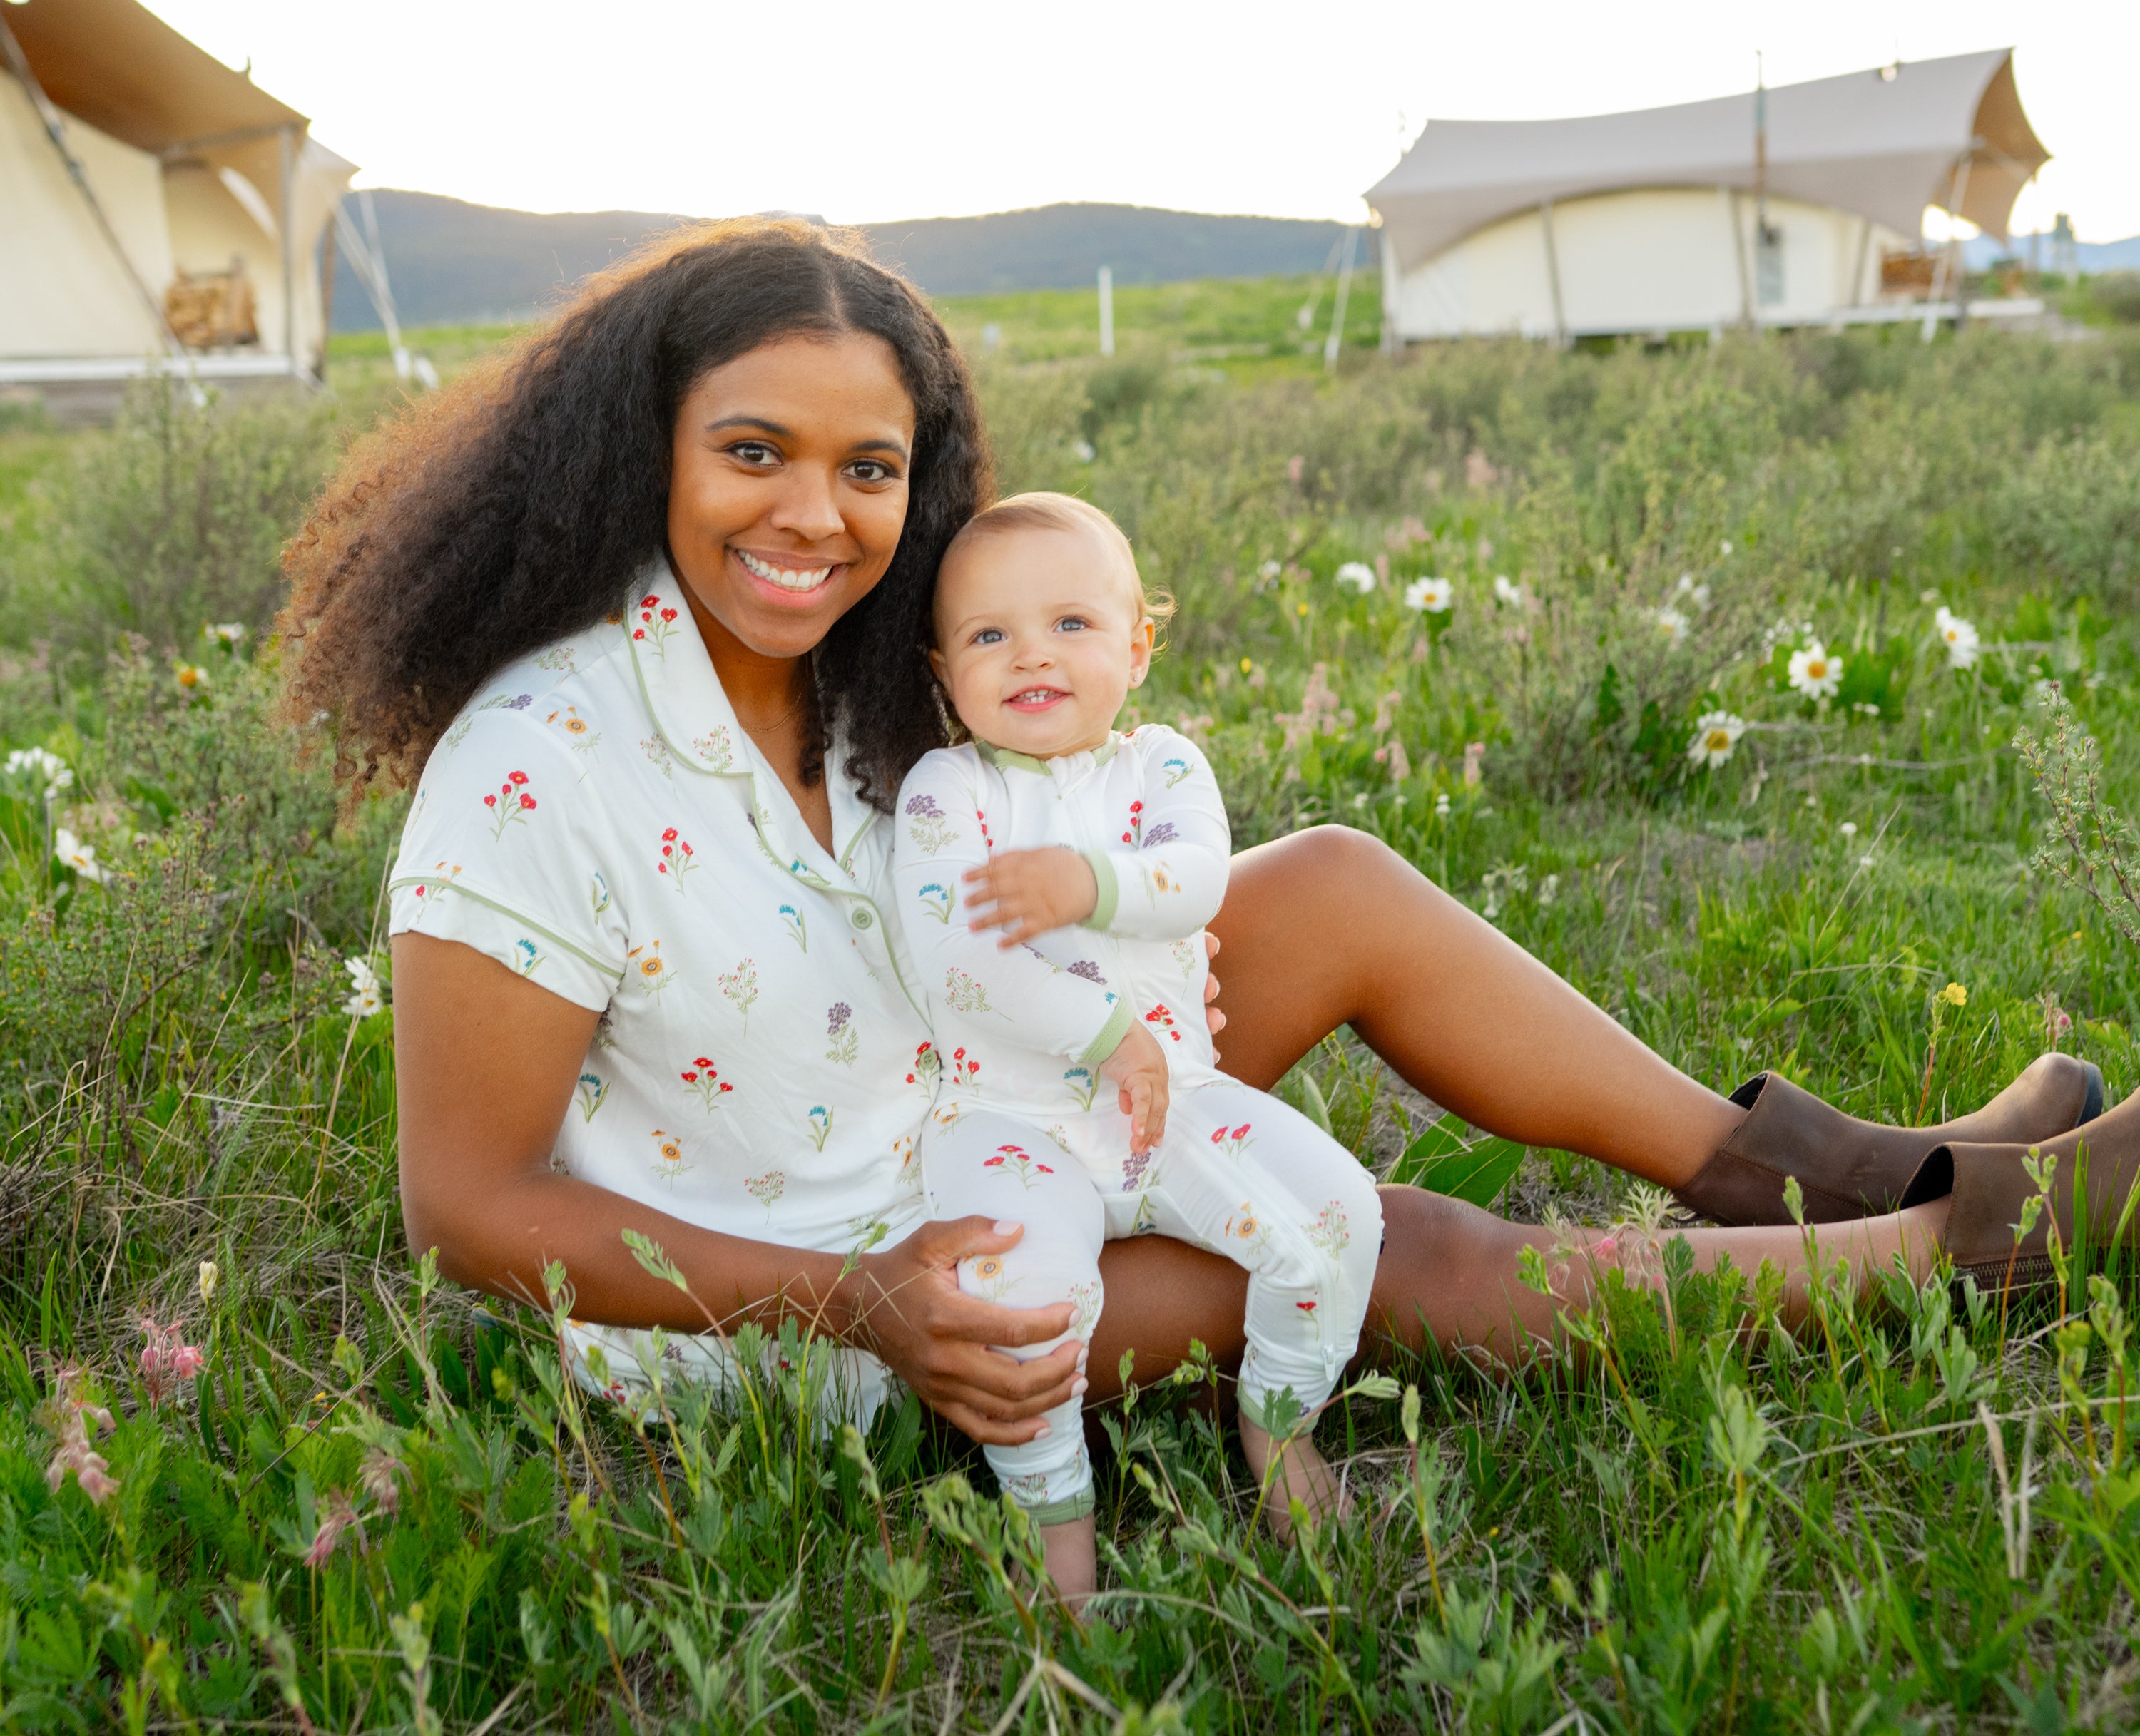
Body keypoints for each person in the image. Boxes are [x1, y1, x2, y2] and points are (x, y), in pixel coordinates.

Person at [279, 216, 2115, 1491]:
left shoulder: (863, 669)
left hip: (999, 1085)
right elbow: (471, 1206)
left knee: (1328, 882)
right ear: (646, 450)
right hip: (847, 1283)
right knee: (1372, 1238)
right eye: (753, 450)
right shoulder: (544, 759)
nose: (814, 517)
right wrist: (875, 1305)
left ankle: (1843, 1168)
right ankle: (1960, 1257)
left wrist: (1142, 963)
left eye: (871, 467)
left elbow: (1022, 851)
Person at [897, 491, 1381, 1598]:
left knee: (1339, 1214)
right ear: (943, 668)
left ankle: (1278, 1425)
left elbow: (1195, 879)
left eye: (1071, 624)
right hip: (1008, 1119)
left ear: (1138, 644)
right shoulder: (948, 794)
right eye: (989, 636)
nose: (1033, 656)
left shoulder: (1159, 767)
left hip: (1170, 1106)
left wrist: (1088, 883)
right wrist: (1110, 1030)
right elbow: (958, 963)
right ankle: (1056, 1517)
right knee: (1024, 1310)